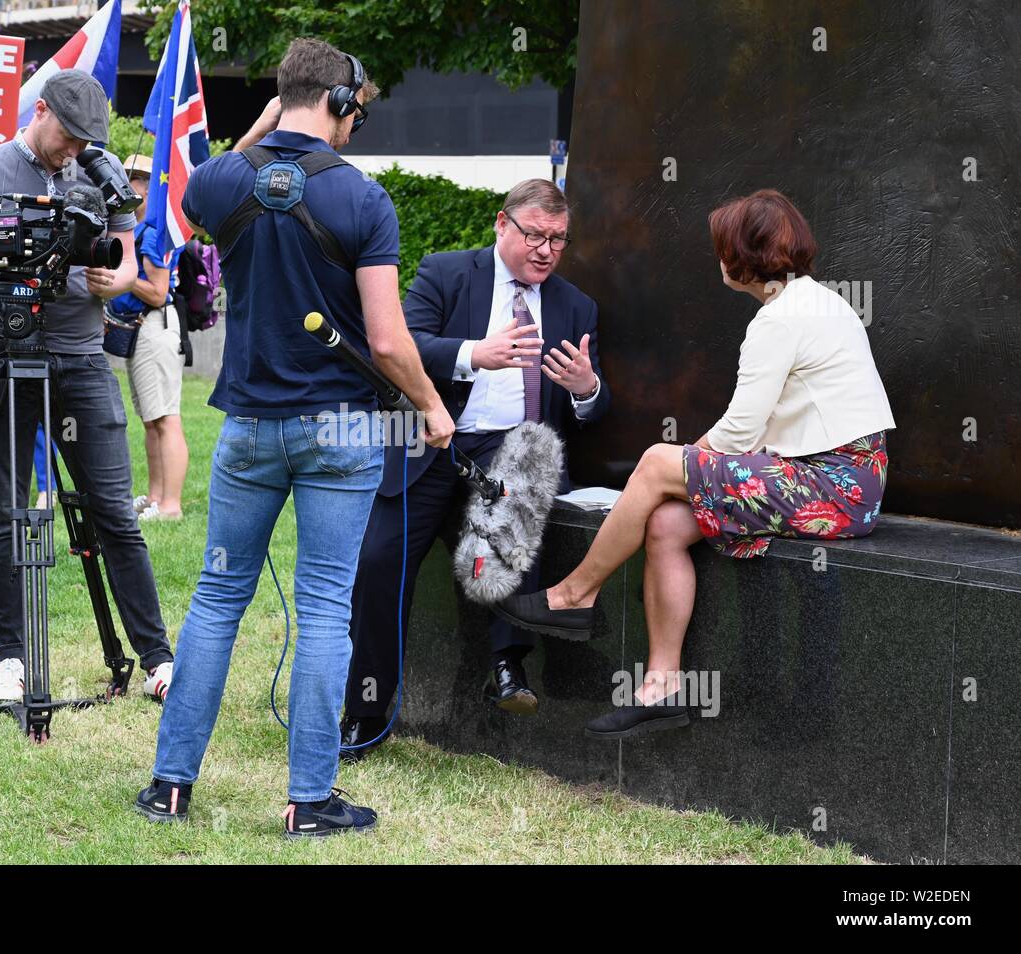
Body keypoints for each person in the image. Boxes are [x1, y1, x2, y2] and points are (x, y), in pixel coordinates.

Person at [136, 38, 454, 837]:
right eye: (358, 110)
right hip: (340, 431)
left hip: (247, 430)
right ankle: (309, 801)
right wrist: (431, 406)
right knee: (321, 609)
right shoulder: (363, 199)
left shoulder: (223, 180)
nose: (358, 126)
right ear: (340, 103)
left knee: (215, 601)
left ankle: (170, 786)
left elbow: (202, 203)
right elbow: (386, 340)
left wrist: (258, 133)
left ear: (281, 99)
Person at [495, 189, 895, 738]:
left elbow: (738, 434)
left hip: (831, 487)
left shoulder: (780, 319)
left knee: (660, 461)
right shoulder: (820, 301)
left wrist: (673, 466)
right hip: (839, 483)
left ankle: (573, 595)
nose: (717, 258)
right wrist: (678, 474)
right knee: (664, 524)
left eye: (721, 247)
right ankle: (661, 690)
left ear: (741, 255)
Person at [0, 69, 176, 704]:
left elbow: (129, 259)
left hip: (82, 358)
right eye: (68, 134)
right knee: (5, 508)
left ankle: (158, 658)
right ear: (40, 111)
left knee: (112, 507)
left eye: (87, 139)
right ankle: (10, 660)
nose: (74, 149)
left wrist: (117, 278)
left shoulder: (104, 173)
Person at [340, 179, 611, 758]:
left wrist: (587, 388)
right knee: (380, 562)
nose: (545, 249)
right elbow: (399, 344)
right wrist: (472, 354)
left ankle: (508, 669)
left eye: (558, 239)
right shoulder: (446, 272)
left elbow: (596, 408)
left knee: (512, 513)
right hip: (433, 444)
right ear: (501, 224)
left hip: (511, 451)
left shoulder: (575, 306)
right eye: (534, 234)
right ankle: (364, 711)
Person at [105, 152, 188, 522]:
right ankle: (155, 497)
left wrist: (121, 278)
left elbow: (156, 291)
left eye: (132, 178)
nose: (125, 185)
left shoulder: (152, 232)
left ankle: (170, 505)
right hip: (142, 330)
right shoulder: (136, 229)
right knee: (151, 418)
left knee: (166, 418)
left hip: (155, 325)